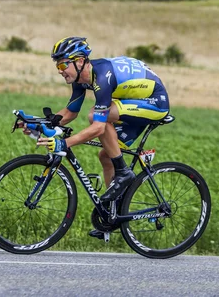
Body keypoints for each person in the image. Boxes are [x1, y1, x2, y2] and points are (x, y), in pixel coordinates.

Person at [34, 36, 170, 239]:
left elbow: (98, 126)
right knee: (106, 157)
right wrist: (36, 123)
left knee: (97, 117)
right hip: (132, 101)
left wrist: (65, 143)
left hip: (154, 102)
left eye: (63, 64)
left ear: (80, 61)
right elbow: (70, 113)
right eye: (57, 66)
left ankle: (124, 173)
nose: (60, 70)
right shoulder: (81, 79)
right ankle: (113, 215)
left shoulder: (102, 76)